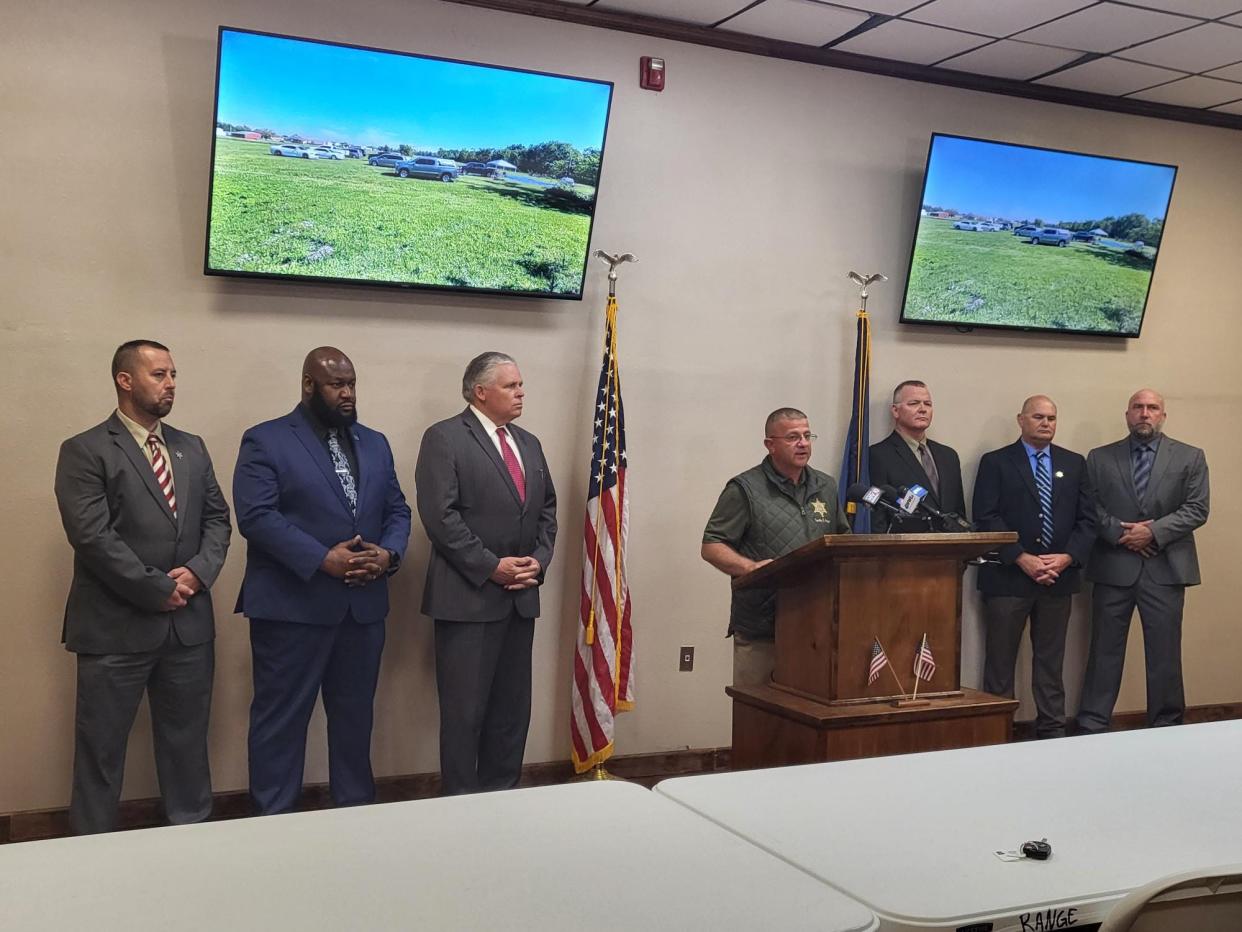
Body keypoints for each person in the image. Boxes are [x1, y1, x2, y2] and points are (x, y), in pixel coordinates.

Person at [54, 340, 231, 834]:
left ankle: (189, 839)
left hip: (188, 628)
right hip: (115, 629)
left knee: (187, 746)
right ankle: (90, 851)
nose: (171, 382)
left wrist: (199, 572)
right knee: (101, 751)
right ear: (124, 380)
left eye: (173, 373)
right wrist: (156, 588)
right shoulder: (85, 449)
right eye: (158, 374)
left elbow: (218, 520)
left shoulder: (191, 446)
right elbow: (92, 537)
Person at [233, 347, 411, 814]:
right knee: (281, 722)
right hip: (293, 608)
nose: (347, 393)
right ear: (309, 385)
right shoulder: (266, 439)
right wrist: (320, 559)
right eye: (336, 384)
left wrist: (388, 553)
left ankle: (354, 816)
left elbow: (397, 509)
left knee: (355, 721)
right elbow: (256, 516)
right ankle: (274, 822)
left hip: (363, 608)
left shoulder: (375, 442)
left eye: (351, 383)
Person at [415, 352, 557, 795]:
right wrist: (490, 567)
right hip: (467, 599)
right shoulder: (444, 438)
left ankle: (503, 798)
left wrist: (539, 559)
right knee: (464, 714)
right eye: (511, 386)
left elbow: (547, 509)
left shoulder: (528, 442)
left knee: (512, 712)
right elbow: (440, 517)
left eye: (520, 384)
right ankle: (461, 804)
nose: (521, 393)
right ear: (480, 391)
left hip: (519, 599)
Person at [1075, 389, 1209, 732]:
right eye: (1138, 407)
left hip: (1165, 569)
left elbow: (1197, 508)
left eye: (1152, 408)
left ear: (1163, 415)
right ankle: (1092, 723)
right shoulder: (1099, 457)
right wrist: (1123, 533)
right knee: (1103, 652)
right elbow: (1090, 507)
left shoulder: (1190, 457)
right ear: (1127, 414)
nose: (1145, 413)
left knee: (1164, 655)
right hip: (1113, 565)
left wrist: (1153, 532)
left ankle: (1166, 724)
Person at [972, 395, 1095, 738]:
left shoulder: (1074, 463)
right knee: (999, 664)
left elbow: (1088, 520)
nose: (1046, 423)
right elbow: (985, 517)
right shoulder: (996, 462)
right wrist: (1021, 557)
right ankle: (995, 732)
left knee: (1051, 664)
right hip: (1008, 578)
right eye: (1038, 416)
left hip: (1058, 578)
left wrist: (1067, 557)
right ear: (1021, 420)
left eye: (1052, 418)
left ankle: (1052, 732)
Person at [702, 408, 849, 687]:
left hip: (816, 626)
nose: (803, 443)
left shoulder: (825, 486)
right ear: (770, 444)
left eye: (807, 436)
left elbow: (841, 539)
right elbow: (711, 545)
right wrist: (751, 567)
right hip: (763, 627)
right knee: (758, 718)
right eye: (793, 437)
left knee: (808, 716)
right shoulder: (745, 488)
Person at [868, 380, 966, 531]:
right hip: (904, 549)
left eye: (928, 404)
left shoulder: (949, 456)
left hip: (949, 550)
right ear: (895, 411)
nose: (922, 409)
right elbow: (877, 518)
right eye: (914, 403)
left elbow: (959, 514)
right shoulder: (879, 455)